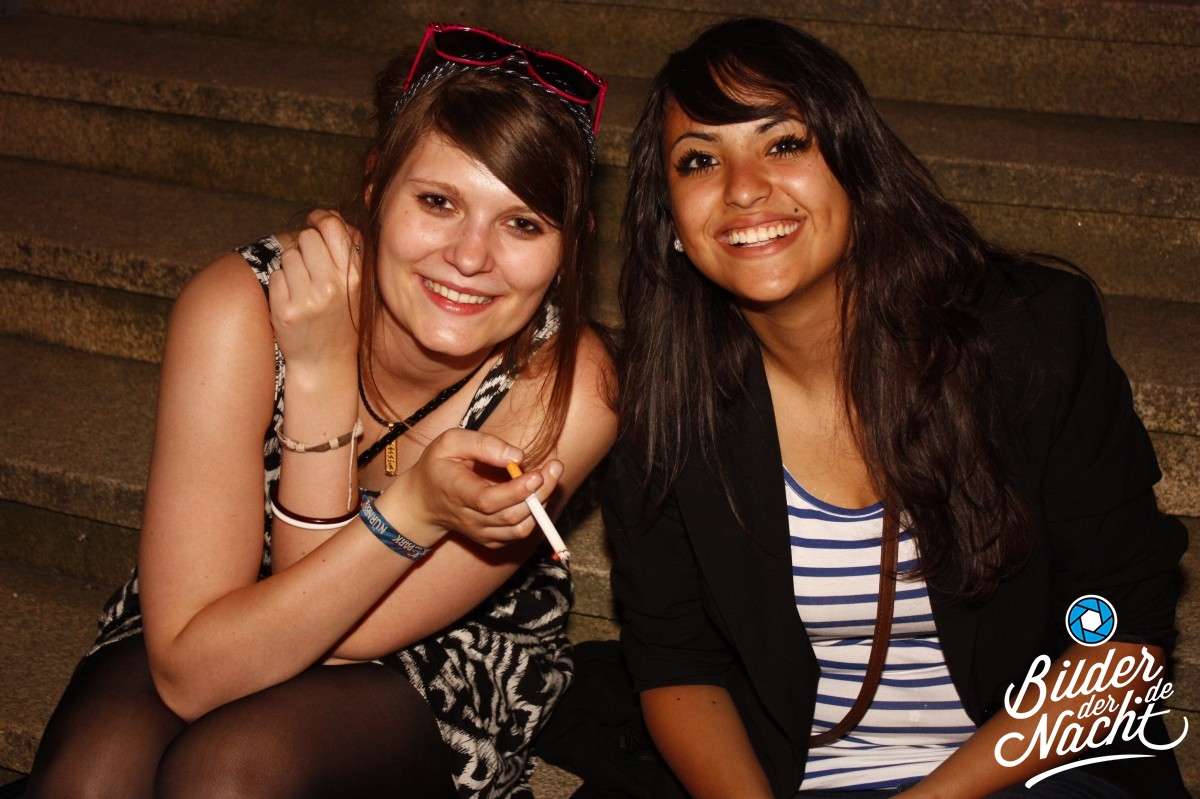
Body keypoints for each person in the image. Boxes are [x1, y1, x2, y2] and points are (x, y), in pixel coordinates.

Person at [25, 22, 615, 799]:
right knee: (90, 779)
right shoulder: (240, 307)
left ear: (569, 246)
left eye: (523, 223)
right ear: (376, 188)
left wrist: (346, 424)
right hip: (224, 599)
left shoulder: (567, 388)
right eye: (438, 201)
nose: (471, 256)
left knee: (229, 775)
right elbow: (194, 667)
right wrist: (321, 369)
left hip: (440, 652)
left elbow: (330, 634)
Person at [605, 16, 1188, 799]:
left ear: (856, 164)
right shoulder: (664, 399)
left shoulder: (1031, 336)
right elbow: (678, 663)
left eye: (785, 143)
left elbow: (1122, 634)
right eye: (699, 160)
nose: (743, 188)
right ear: (671, 219)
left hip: (1026, 771)